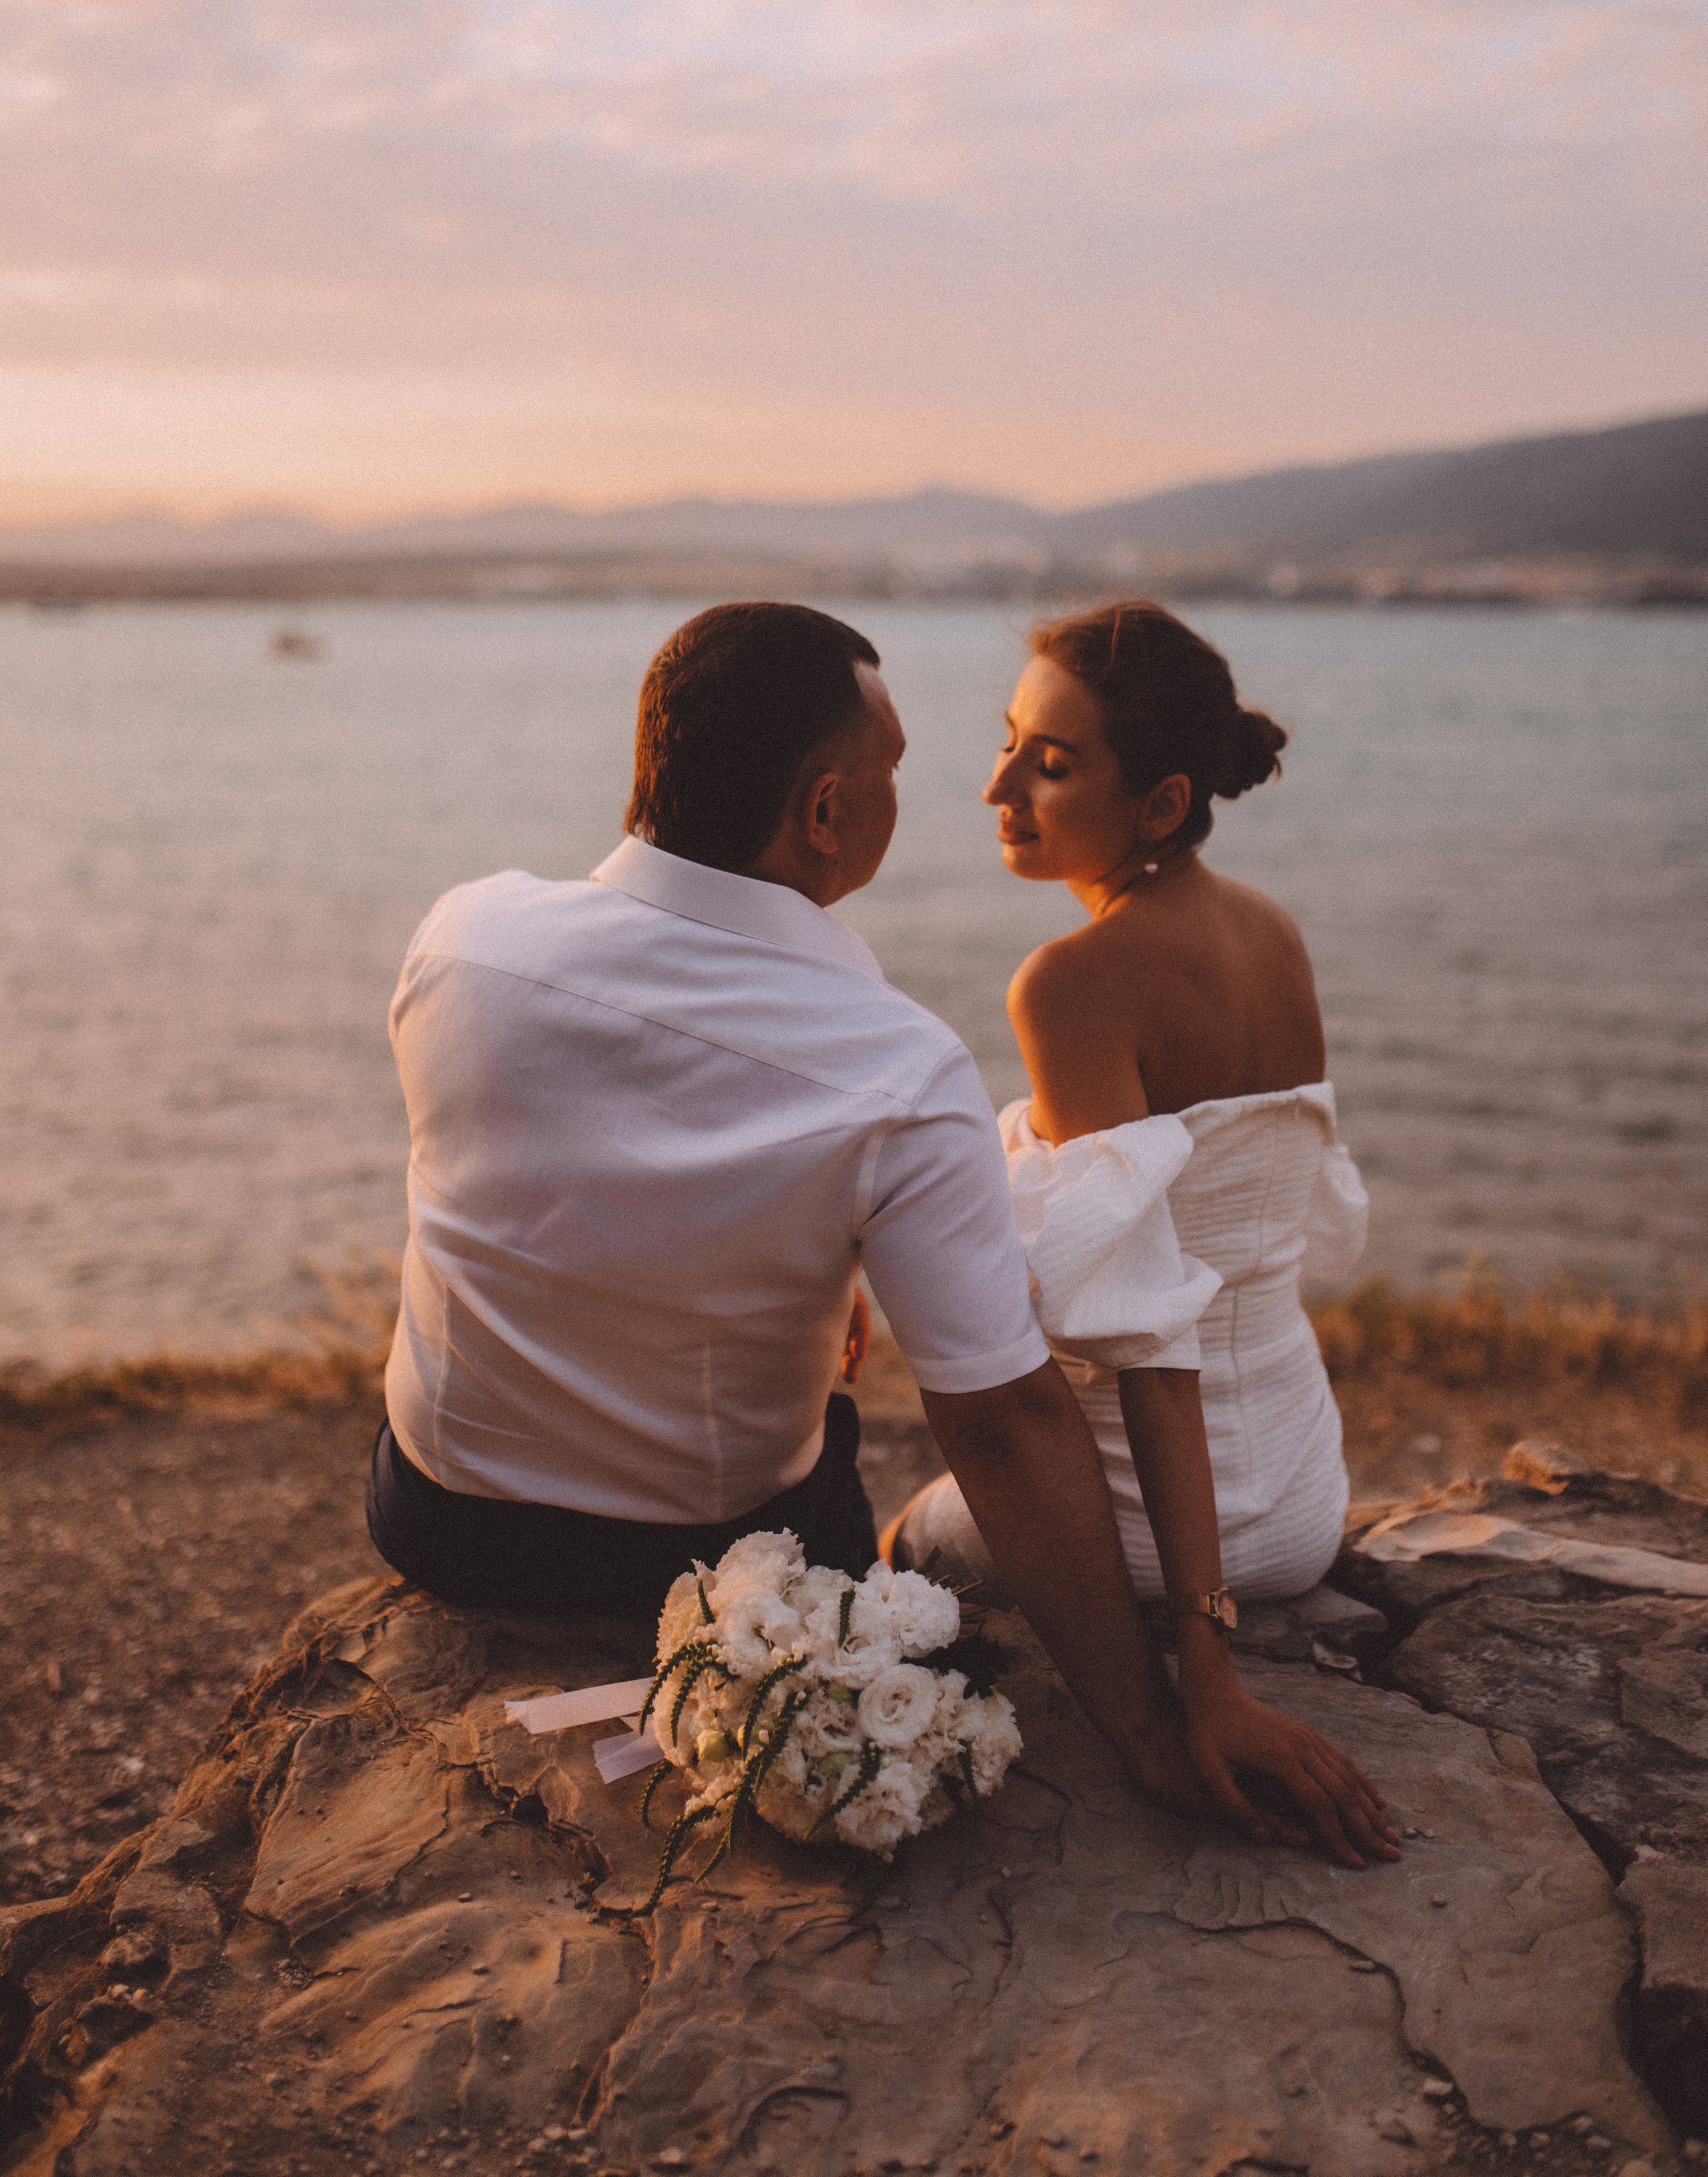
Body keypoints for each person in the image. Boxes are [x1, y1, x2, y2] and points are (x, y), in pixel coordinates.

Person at [367, 600, 1394, 1865]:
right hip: (711, 1557)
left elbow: (553, 1161)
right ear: (825, 814)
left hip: (438, 1518)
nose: (971, 788)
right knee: (884, 1509)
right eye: (896, 769)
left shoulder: (463, 936)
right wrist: (1147, 1729)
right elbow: (1004, 1418)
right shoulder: (895, 1067)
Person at [887, 599, 1388, 1829]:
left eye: (1050, 765)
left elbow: (1155, 1342)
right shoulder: (1271, 931)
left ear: (1160, 805)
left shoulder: (1068, 983)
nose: (998, 784)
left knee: (904, 1542)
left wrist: (1202, 1670)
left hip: (1158, 1528)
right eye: (1008, 741)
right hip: (1306, 1499)